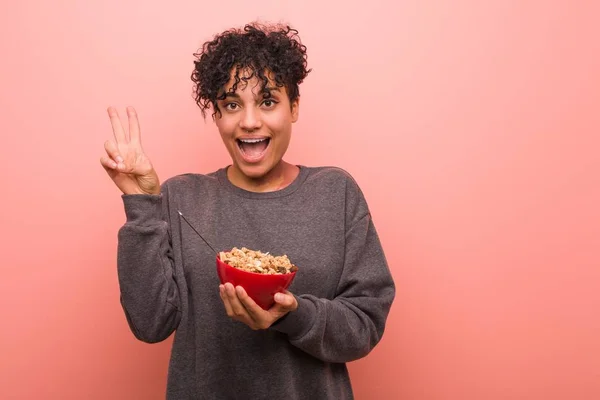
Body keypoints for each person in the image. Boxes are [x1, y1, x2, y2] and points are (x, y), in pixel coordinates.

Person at [100, 22, 395, 400]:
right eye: (231, 104)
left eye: (268, 101)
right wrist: (141, 204)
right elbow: (149, 324)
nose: (250, 121)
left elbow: (365, 324)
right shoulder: (182, 197)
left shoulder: (335, 192)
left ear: (295, 107)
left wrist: (292, 314)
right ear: (217, 115)